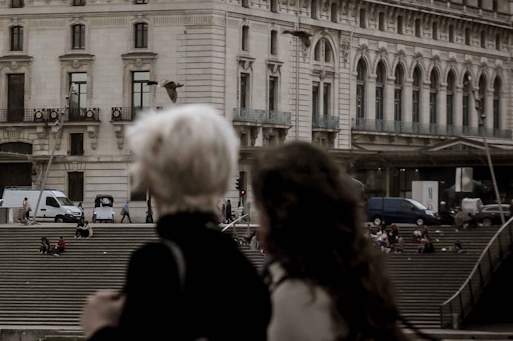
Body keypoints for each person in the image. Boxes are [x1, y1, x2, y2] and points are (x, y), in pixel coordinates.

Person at [81, 104, 270, 340]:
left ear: (149, 180)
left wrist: (98, 326)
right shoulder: (245, 270)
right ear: (222, 179)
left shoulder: (155, 262)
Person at [252, 142, 410, 341]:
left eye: (261, 208)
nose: (258, 221)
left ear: (280, 215)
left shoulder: (296, 296)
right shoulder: (350, 273)